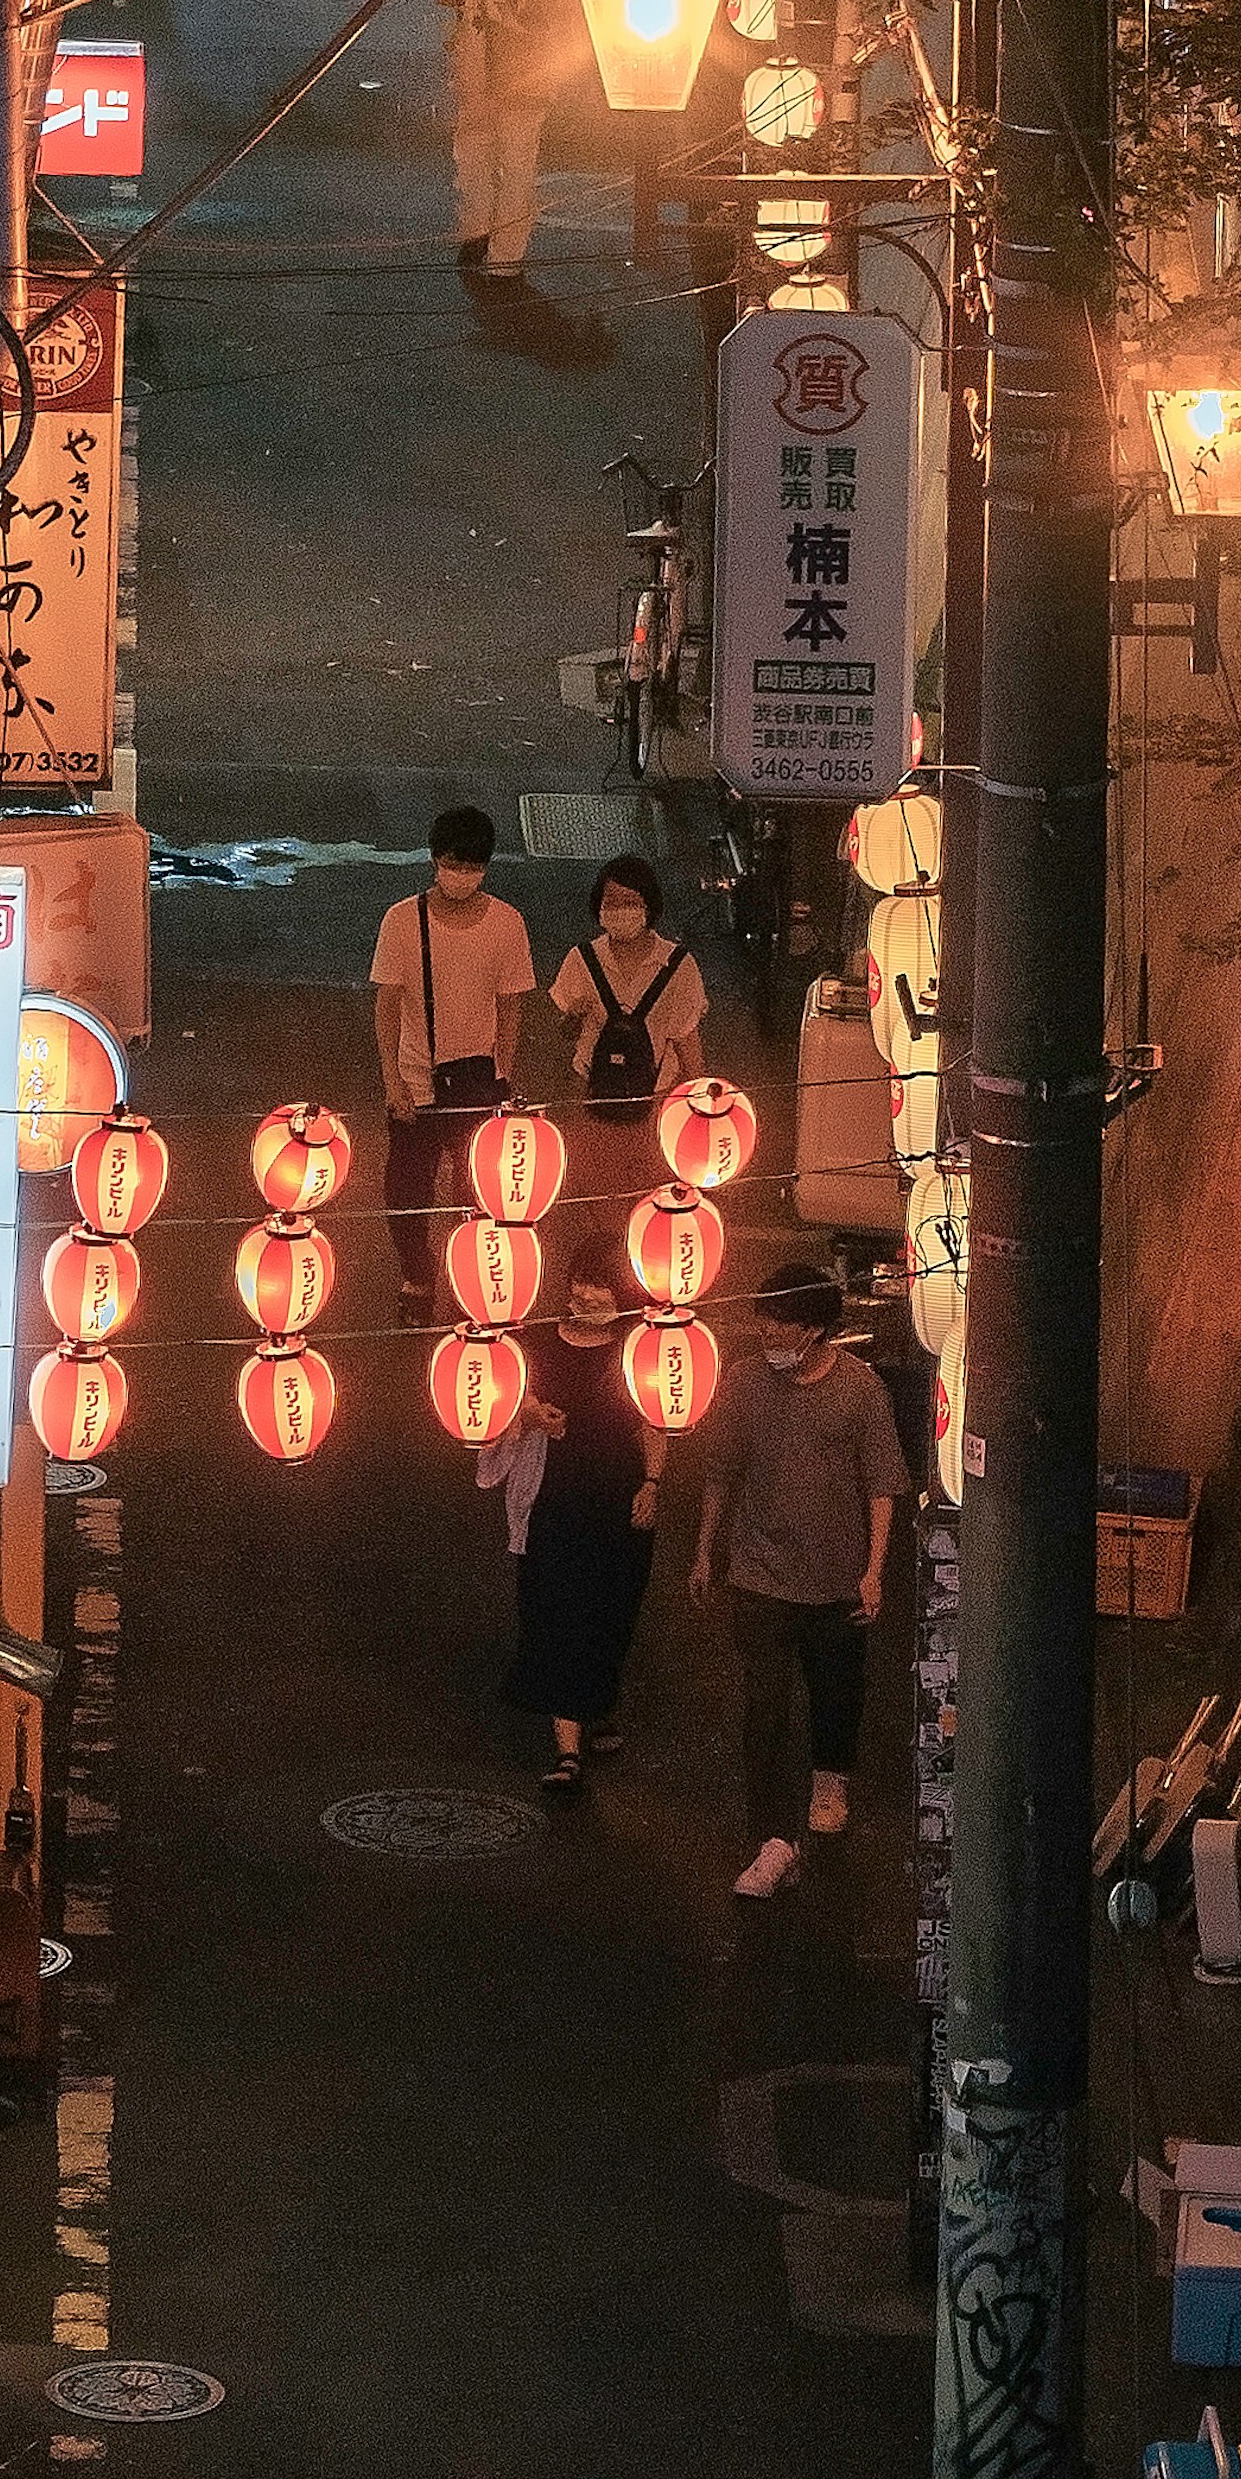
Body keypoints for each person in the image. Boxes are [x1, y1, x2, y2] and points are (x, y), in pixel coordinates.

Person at [686, 1262, 904, 1902]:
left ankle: (830, 1779)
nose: (765, 1333)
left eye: (778, 1322)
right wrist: (706, 1550)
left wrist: (873, 1571)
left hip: (835, 1583)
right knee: (764, 1706)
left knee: (836, 1695)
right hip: (759, 1576)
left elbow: (883, 1484)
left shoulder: (860, 1391)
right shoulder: (745, 1383)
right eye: (762, 1319)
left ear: (814, 1329)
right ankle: (769, 1834)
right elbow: (722, 1470)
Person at [486, 1268, 669, 1792]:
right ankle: (568, 1750)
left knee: (611, 1612)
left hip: (618, 1502)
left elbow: (652, 1423)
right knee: (556, 1611)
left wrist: (652, 1483)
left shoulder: (637, 1352)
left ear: (622, 1299)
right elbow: (504, 1402)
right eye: (581, 1283)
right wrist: (530, 1415)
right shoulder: (538, 1345)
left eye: (601, 1287)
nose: (587, 1293)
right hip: (551, 1502)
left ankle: (595, 1701)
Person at [370, 808, 537, 1326]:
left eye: (472, 866)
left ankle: (477, 1286)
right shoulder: (403, 920)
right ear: (434, 860)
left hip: (478, 1081)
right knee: (406, 1192)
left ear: (486, 867)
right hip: (418, 1081)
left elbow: (511, 1007)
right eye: (452, 863)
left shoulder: (507, 924)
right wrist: (393, 1081)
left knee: (479, 1196)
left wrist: (503, 1075)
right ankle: (417, 1278)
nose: (461, 875)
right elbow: (388, 1005)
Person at [439, 0, 580, 314]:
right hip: (529, 65)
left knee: (474, 150)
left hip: (475, 60)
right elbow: (564, 5)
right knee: (520, 162)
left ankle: (474, 234)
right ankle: (506, 260)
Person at [549, 853, 708, 1217]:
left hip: (654, 1102)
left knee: (647, 1197)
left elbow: (688, 1043)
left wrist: (698, 1109)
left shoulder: (678, 966)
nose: (619, 911)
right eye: (611, 902)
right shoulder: (582, 959)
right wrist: (573, 1017)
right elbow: (563, 1032)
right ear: (598, 908)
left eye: (629, 902)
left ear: (648, 907)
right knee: (594, 1195)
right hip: (592, 1097)